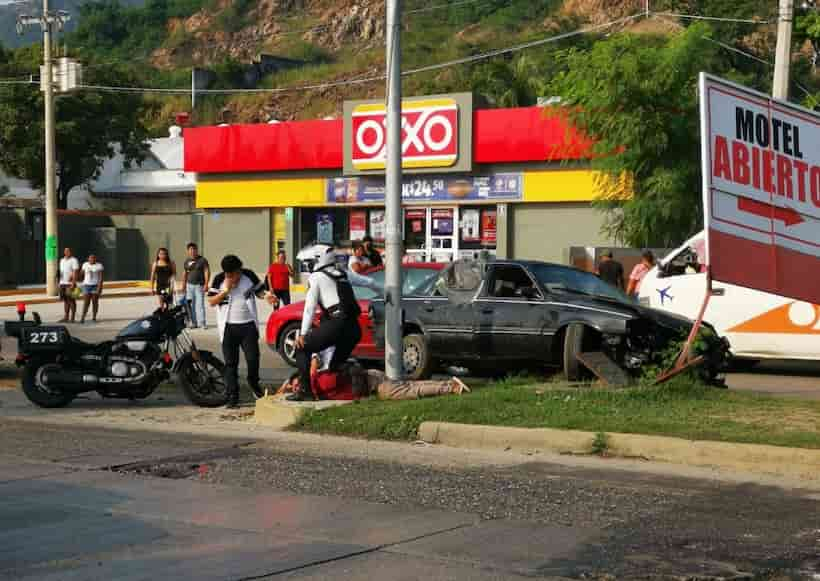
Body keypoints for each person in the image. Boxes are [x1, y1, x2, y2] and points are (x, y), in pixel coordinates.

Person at [288, 248, 381, 402]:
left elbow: (309, 308)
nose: (308, 267)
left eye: (309, 262)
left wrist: (303, 334)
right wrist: (385, 293)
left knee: (301, 348)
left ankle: (305, 391)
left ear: (318, 260)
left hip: (337, 324)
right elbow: (369, 282)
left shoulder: (316, 277)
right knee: (334, 365)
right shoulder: (342, 273)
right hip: (353, 329)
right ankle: (351, 381)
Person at [208, 255, 276, 408]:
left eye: (237, 273)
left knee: (253, 359)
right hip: (228, 328)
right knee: (231, 364)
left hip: (248, 326)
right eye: (231, 275)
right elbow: (212, 301)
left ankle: (253, 383)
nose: (235, 277)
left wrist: (267, 297)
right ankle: (233, 395)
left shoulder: (249, 275)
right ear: (226, 273)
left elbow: (259, 292)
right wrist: (225, 291)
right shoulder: (219, 280)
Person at [182, 243, 210, 329]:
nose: (192, 251)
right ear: (188, 251)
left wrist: (206, 284)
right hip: (189, 285)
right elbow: (185, 273)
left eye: (194, 249)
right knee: (190, 305)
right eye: (190, 249)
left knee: (200, 305)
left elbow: (206, 271)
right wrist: (183, 285)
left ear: (197, 250)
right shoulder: (187, 261)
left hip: (199, 286)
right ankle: (193, 323)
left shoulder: (202, 260)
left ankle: (202, 323)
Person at [79, 254, 104, 324]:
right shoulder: (85, 265)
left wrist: (99, 287)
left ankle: (94, 317)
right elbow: (81, 274)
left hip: (95, 285)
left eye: (93, 258)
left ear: (95, 259)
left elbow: (101, 278)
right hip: (86, 285)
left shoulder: (99, 265)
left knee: (94, 302)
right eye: (90, 258)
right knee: (86, 302)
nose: (92, 259)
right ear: (88, 259)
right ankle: (82, 317)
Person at [58, 247, 80, 323]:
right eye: (65, 251)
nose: (67, 252)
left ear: (71, 252)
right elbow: (61, 272)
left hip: (70, 284)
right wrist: (59, 282)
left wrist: (73, 283)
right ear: (64, 252)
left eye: (68, 251)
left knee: (71, 300)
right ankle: (66, 317)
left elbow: (76, 272)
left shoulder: (74, 260)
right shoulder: (62, 260)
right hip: (62, 283)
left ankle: (72, 318)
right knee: (65, 300)